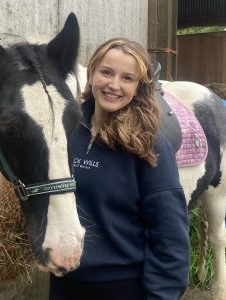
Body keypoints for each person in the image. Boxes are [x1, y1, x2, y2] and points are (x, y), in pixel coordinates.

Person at [49, 38, 190, 300]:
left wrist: (162, 295)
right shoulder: (64, 133)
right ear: (91, 74)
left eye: (127, 78)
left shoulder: (150, 147)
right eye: (106, 72)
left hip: (122, 287)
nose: (114, 85)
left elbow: (170, 237)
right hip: (64, 284)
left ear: (139, 87)